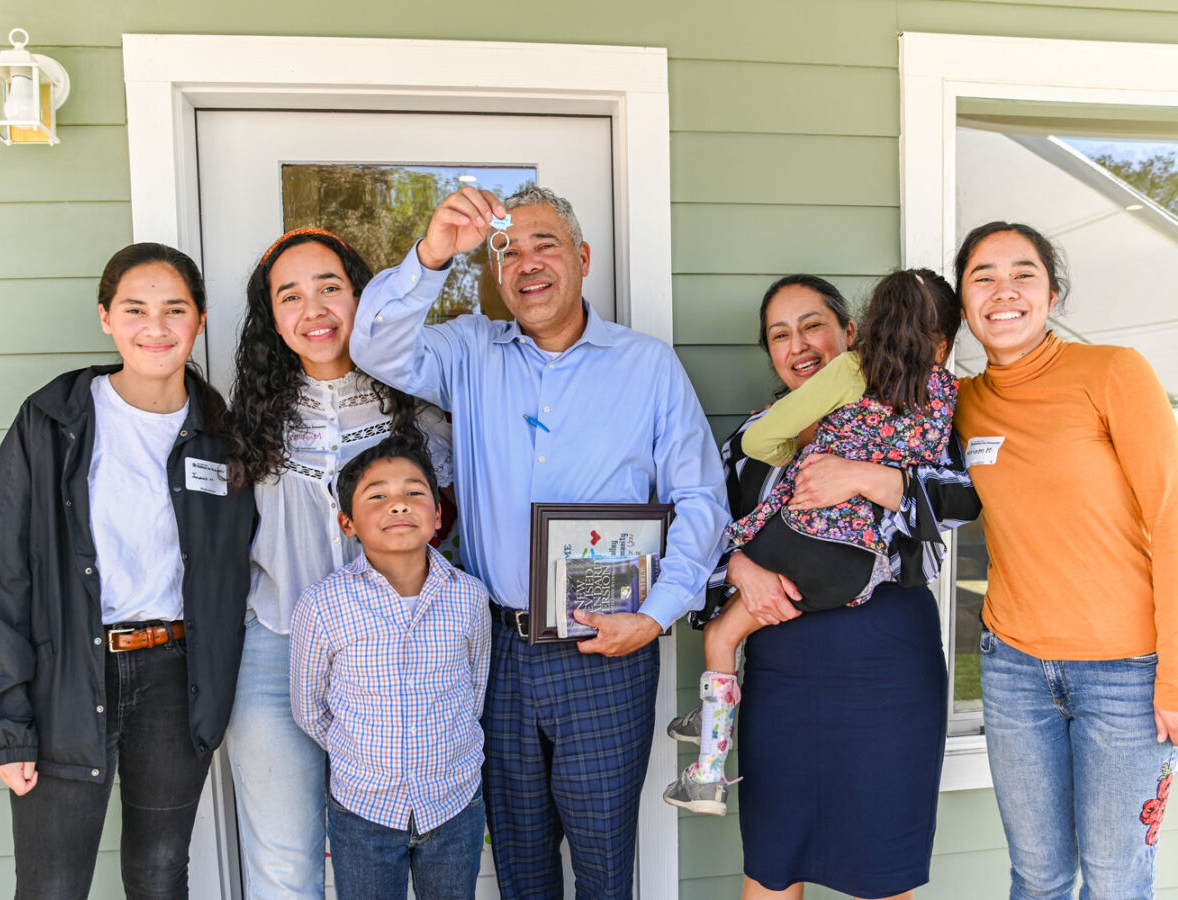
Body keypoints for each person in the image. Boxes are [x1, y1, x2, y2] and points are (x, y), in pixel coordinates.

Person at [349, 184, 729, 899]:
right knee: (522, 868)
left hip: (606, 652)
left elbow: (702, 499)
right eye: (506, 250)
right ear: (494, 274)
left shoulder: (646, 366)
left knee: (604, 866)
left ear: (581, 258)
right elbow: (374, 345)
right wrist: (432, 254)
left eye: (543, 244)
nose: (526, 262)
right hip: (496, 653)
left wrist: (655, 615)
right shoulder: (467, 350)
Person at [687, 273, 979, 900]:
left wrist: (871, 477)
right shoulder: (751, 440)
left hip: (888, 656)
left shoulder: (915, 402)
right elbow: (701, 531)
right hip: (784, 659)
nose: (799, 345)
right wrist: (740, 569)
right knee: (773, 859)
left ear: (852, 334)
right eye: (779, 334)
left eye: (813, 325)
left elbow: (966, 496)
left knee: (883, 866)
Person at [0, 243, 256, 897]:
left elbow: (237, 568)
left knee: (161, 876)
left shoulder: (221, 435)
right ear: (106, 317)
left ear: (200, 320)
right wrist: (6, 725)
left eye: (174, 309)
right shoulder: (53, 421)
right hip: (67, 676)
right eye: (135, 308)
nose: (155, 327)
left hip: (175, 678)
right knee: (52, 884)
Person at [222, 227, 453, 898]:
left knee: (392, 857)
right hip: (274, 652)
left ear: (363, 297)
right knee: (286, 863)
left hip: (394, 657)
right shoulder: (251, 419)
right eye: (289, 296)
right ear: (273, 318)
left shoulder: (416, 408)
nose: (313, 310)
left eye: (330, 288)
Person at [952, 221, 1178, 897]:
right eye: (982, 278)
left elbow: (1172, 519)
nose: (1004, 292)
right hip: (1015, 670)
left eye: (1024, 274)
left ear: (1052, 293)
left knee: (1114, 883)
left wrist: (1174, 674)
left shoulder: (1111, 372)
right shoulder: (960, 406)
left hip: (1128, 677)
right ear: (963, 305)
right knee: (1039, 878)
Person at [290, 434, 489, 900]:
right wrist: (365, 756)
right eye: (377, 495)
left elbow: (474, 687)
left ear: (438, 515)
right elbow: (309, 708)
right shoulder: (323, 605)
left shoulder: (468, 597)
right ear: (347, 522)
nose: (398, 505)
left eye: (415, 493)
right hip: (364, 810)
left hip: (454, 804)